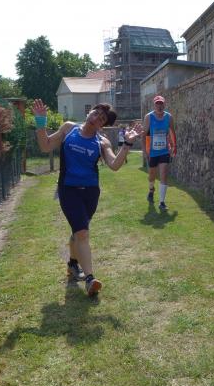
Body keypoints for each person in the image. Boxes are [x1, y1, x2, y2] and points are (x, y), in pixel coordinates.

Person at [33, 99, 142, 297]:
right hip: (68, 189)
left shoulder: (102, 142)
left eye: (101, 119)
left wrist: (127, 143)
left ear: (102, 125)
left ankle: (73, 264)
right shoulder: (69, 129)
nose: (96, 118)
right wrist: (41, 122)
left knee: (78, 231)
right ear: (89, 112)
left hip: (90, 192)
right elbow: (45, 146)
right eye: (96, 113)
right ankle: (90, 279)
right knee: (82, 233)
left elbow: (114, 165)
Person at [143, 95, 177, 211]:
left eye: (161, 103)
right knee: (152, 175)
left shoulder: (169, 117)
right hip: (152, 151)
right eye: (157, 104)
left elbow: (172, 132)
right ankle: (151, 190)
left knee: (164, 174)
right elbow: (144, 135)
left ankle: (162, 202)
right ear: (154, 105)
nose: (159, 106)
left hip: (164, 150)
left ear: (164, 104)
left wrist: (174, 146)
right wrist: (144, 150)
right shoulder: (148, 117)